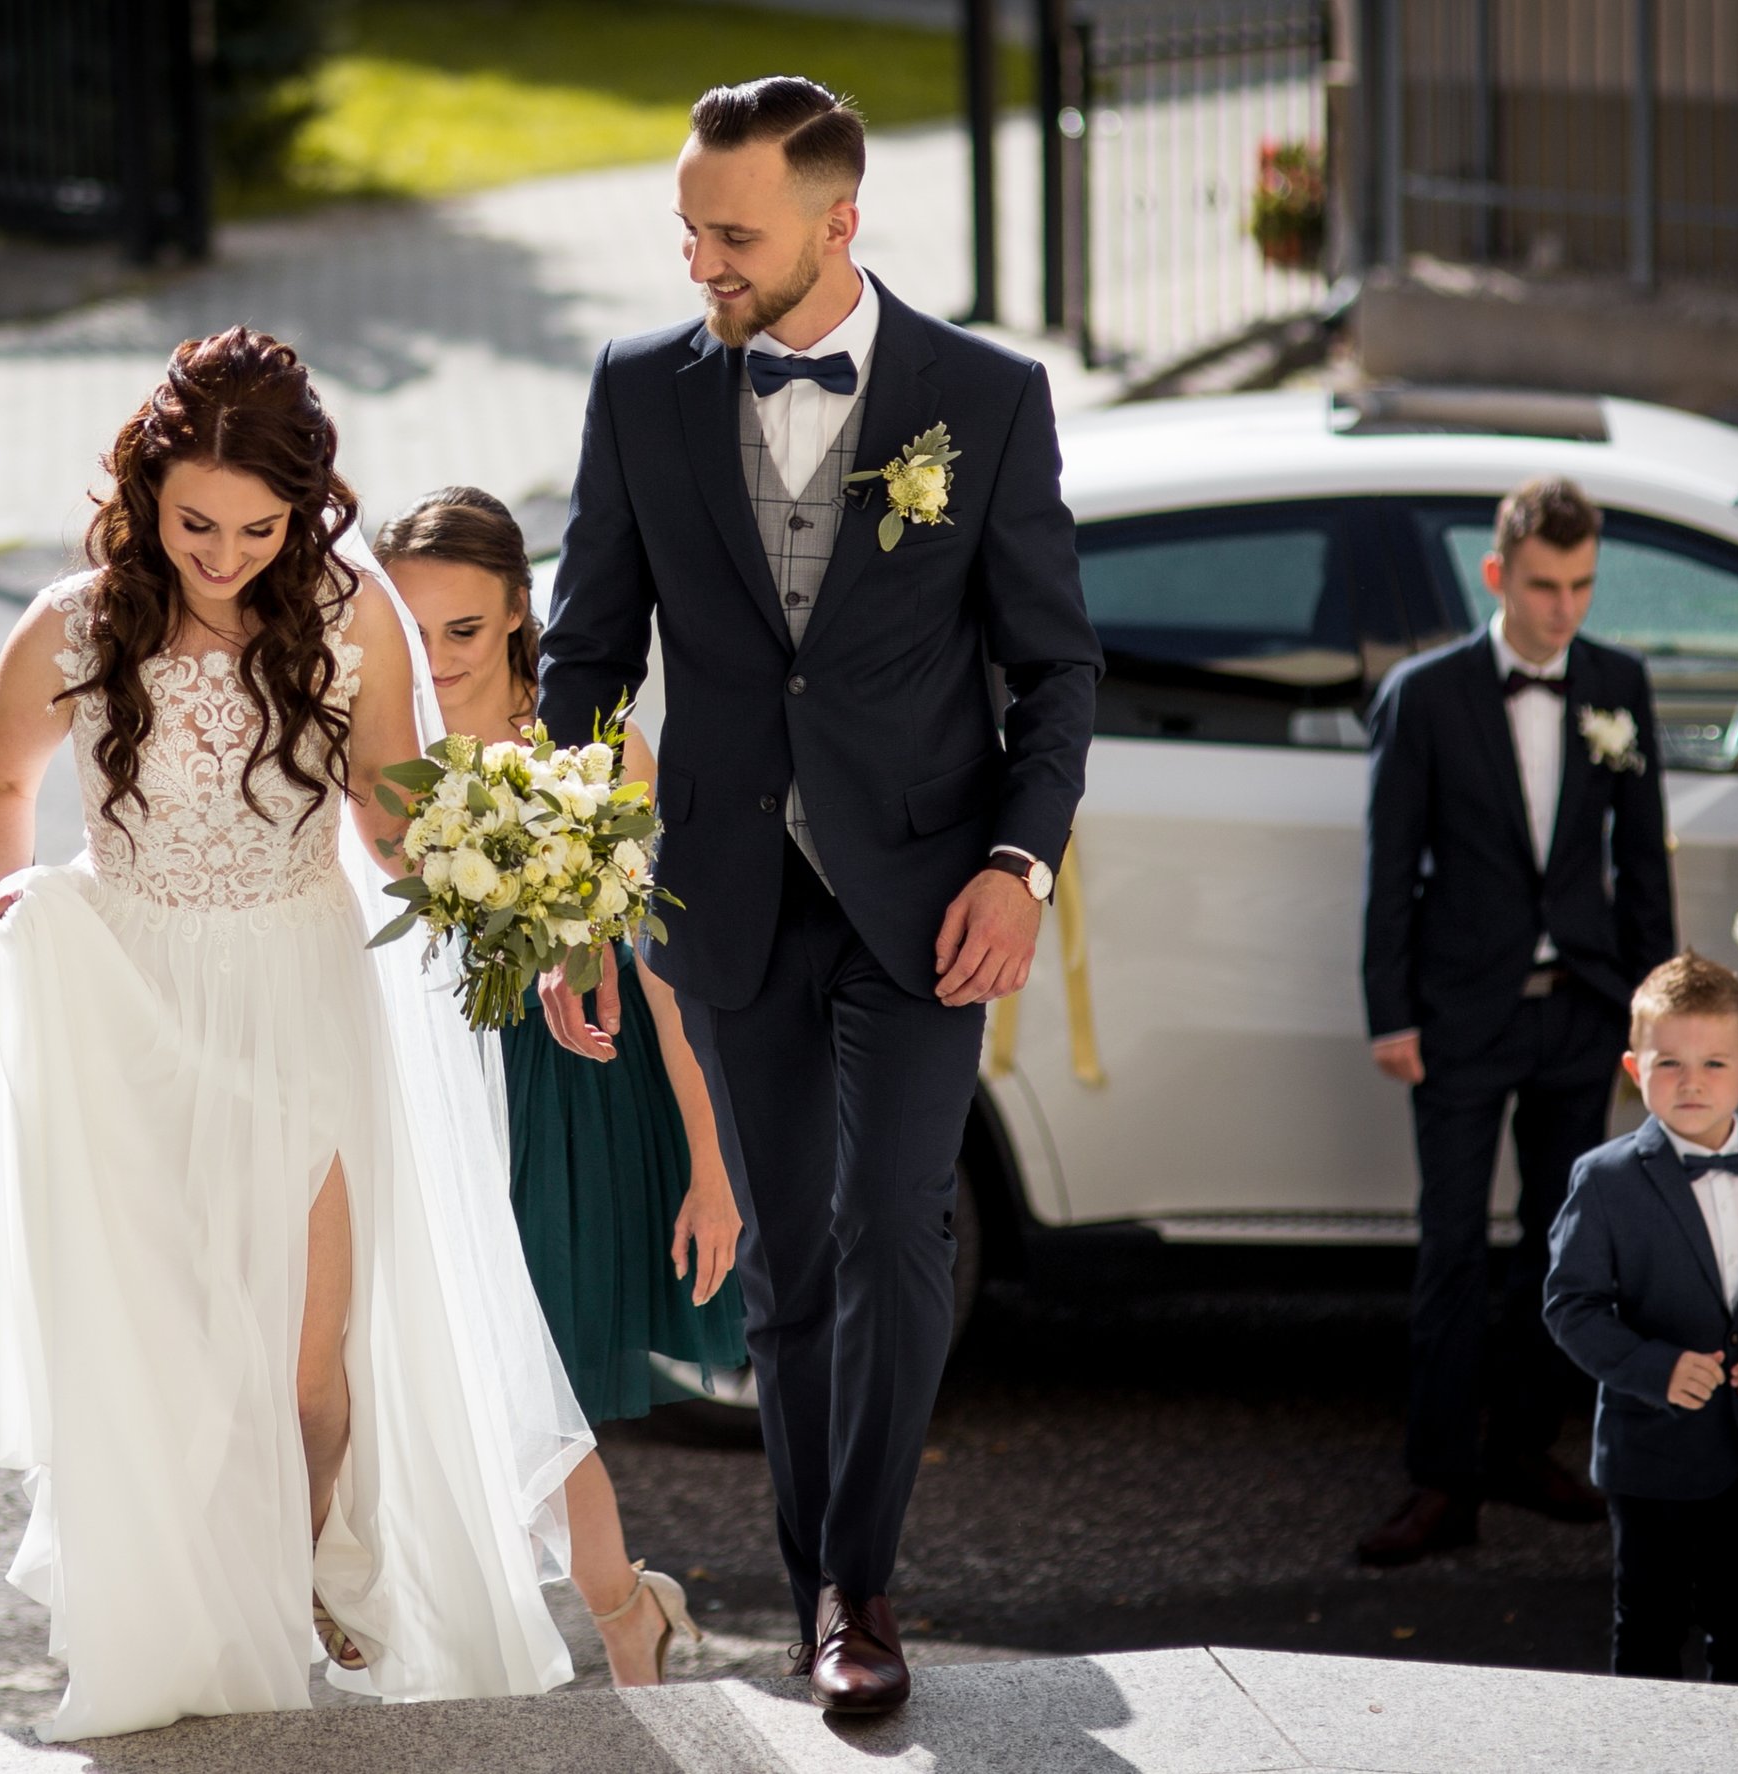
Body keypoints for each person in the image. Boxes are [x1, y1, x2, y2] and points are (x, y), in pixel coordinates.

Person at [534, 76, 1101, 1714]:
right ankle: (822, 1588)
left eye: (734, 233)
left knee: (899, 1231)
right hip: (720, 891)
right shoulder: (638, 390)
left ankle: (862, 1576)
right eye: (688, 229)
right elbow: (586, 655)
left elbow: (1053, 666)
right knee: (785, 1257)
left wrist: (1018, 860)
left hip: (927, 890)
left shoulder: (984, 396)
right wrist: (581, 895)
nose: (701, 259)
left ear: (837, 224)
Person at [0, 329, 590, 1740]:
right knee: (179, 1350)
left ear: (304, 509)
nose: (227, 552)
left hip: (302, 985)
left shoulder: (345, 606)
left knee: (313, 1363)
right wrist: (2, 897)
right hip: (134, 995)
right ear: (145, 485)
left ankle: (291, 1586)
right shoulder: (73, 621)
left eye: (259, 526)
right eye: (196, 523)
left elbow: (383, 796)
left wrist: (486, 866)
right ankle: (202, 1632)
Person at [377, 485, 749, 1686]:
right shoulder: (364, 738)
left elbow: (663, 973)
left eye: (465, 631)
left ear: (520, 614)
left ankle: (611, 1610)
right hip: (406, 1087)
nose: (435, 663)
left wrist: (708, 1163)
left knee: (521, 1369)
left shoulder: (586, 741)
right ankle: (615, 1606)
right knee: (429, 1374)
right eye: (412, 630)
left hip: (561, 1092)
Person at [1359, 477, 1677, 1566]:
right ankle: (1440, 1480)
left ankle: (1522, 1445)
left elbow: (1643, 870)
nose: (1564, 608)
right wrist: (1388, 1011)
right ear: (1498, 575)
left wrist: (1655, 1027)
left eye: (1581, 585)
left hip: (1581, 1012)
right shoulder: (1425, 693)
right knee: (1449, 1244)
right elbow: (1389, 867)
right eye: (1544, 585)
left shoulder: (1617, 687)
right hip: (1457, 1013)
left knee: (1563, 1238)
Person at [1545, 954, 1738, 1684]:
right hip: (1651, 1445)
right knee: (1648, 1624)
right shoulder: (1606, 1179)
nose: (1691, 1083)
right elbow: (1570, 1304)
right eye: (1669, 1063)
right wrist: (1654, 1367)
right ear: (1633, 1067)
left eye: (1713, 1063)